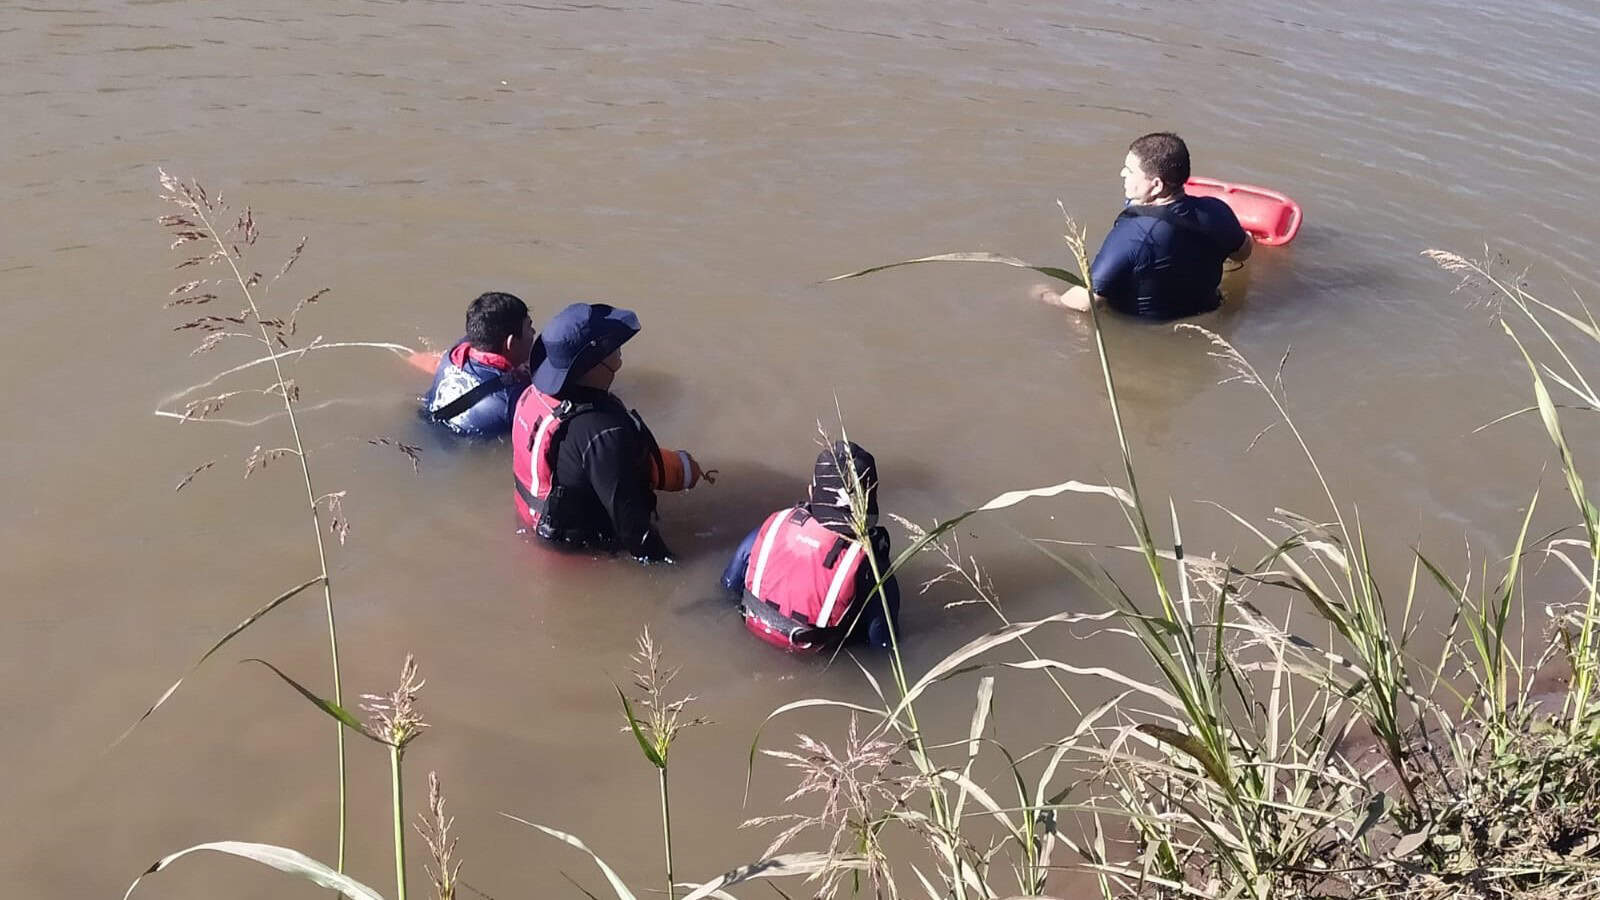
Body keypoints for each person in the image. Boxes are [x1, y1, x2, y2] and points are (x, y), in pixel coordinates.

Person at [511, 302, 711, 562]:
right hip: (575, 551)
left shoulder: (535, 393)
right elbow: (633, 529)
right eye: (613, 347)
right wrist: (671, 565)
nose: (619, 350)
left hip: (536, 518)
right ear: (595, 365)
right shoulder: (603, 432)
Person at [1034, 132, 1253, 320]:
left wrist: (1048, 297)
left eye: (1129, 170)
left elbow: (1087, 301)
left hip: (1148, 328)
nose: (1122, 174)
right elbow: (1243, 253)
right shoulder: (1216, 210)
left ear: (1156, 185)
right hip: (1208, 314)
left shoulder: (1133, 235)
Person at [721, 441, 901, 651]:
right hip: (813, 654)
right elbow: (884, 645)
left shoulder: (774, 526)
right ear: (871, 502)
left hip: (752, 629)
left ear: (811, 491)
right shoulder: (871, 567)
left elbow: (729, 586)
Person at [421, 291, 537, 437]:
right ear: (511, 343)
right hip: (467, 444)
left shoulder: (454, 354)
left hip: (427, 423)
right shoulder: (513, 398)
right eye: (529, 327)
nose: (533, 332)